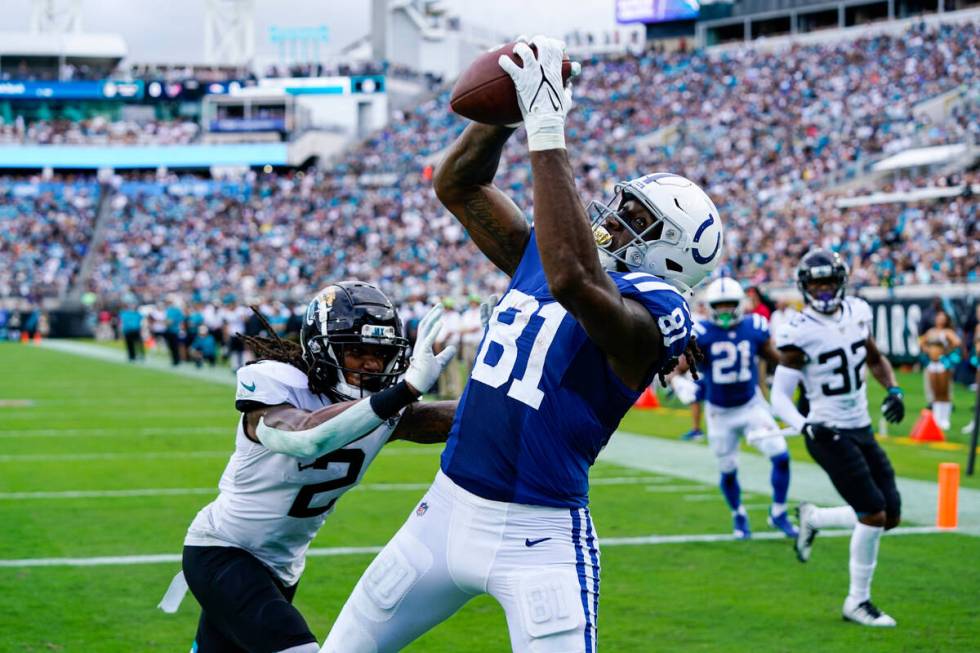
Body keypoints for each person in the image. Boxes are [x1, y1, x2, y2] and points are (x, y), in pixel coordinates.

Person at [321, 36, 721, 653]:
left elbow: (574, 281)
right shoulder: (554, 255)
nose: (613, 215)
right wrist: (503, 116)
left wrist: (546, 124)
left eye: (638, 220)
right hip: (444, 511)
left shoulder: (653, 311)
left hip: (540, 537)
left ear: (673, 255)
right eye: (624, 203)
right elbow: (456, 185)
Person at [175, 281, 459, 653]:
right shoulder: (277, 385)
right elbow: (307, 436)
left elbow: (466, 420)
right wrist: (401, 392)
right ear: (320, 347)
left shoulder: (385, 409)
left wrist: (500, 385)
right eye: (357, 351)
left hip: (282, 568)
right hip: (223, 551)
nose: (372, 364)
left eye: (380, 353)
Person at [770, 249, 906, 627]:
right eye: (817, 284)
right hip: (827, 431)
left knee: (891, 515)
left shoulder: (859, 313)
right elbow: (779, 394)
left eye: (830, 283)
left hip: (860, 425)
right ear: (805, 287)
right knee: (873, 514)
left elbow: (875, 358)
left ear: (842, 283)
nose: (825, 290)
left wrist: (893, 389)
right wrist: (803, 424)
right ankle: (857, 602)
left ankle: (814, 518)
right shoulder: (799, 331)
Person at [673, 277, 796, 539]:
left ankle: (778, 512)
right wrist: (677, 383)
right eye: (721, 305)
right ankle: (738, 514)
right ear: (711, 307)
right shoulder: (702, 333)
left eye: (731, 305)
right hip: (719, 413)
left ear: (740, 304)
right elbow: (678, 368)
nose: (726, 311)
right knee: (728, 470)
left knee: (781, 457)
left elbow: (775, 358)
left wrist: (796, 369)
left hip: (752, 406)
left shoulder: (754, 327)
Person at [918, 309, 962, 430]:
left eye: (943, 318)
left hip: (943, 363)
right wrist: (927, 350)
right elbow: (921, 342)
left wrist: (946, 351)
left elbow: (957, 343)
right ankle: (936, 418)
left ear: (946, 320)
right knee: (935, 392)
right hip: (932, 364)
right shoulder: (931, 331)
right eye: (938, 317)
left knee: (944, 391)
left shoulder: (947, 332)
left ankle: (945, 419)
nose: (940, 320)